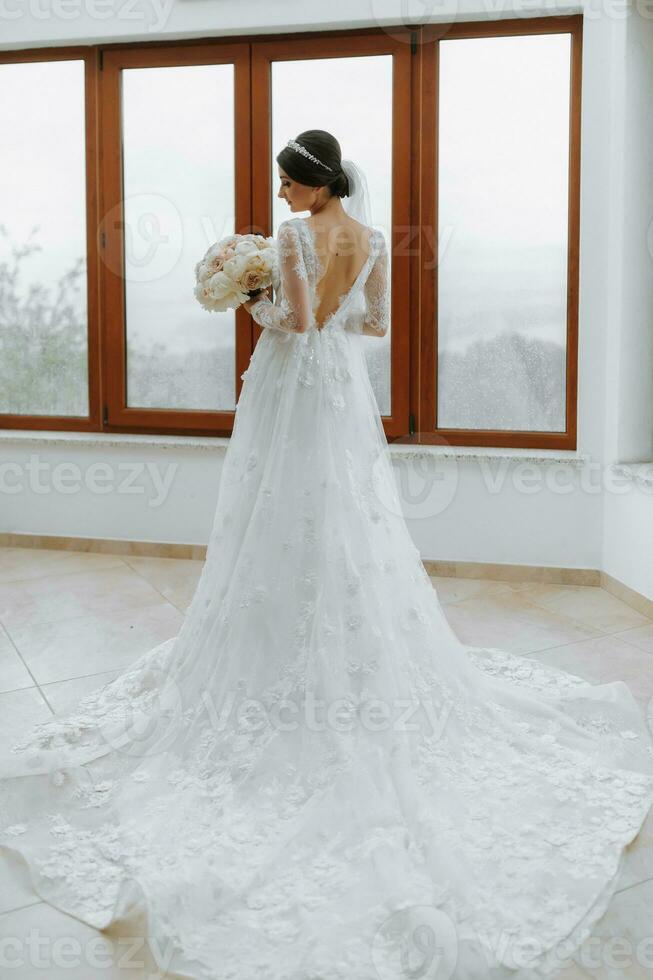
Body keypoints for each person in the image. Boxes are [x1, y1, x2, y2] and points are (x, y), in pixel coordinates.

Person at [1, 129, 652, 980]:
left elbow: (297, 320)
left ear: (313, 185)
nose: (278, 196)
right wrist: (302, 303)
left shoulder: (292, 238)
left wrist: (252, 297)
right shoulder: (372, 238)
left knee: (276, 511)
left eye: (285, 183)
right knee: (345, 513)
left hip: (288, 383)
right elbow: (370, 324)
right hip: (341, 393)